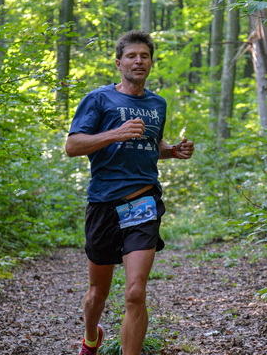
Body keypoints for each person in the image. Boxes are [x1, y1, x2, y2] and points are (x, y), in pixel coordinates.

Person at [65, 30, 194, 355]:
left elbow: (151, 144)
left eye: (144, 56)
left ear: (151, 62)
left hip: (143, 201)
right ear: (118, 62)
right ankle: (91, 337)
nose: (139, 61)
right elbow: (73, 146)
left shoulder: (157, 103)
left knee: (135, 292)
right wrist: (115, 133)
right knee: (98, 293)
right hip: (103, 202)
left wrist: (172, 151)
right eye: (132, 56)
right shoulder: (98, 99)